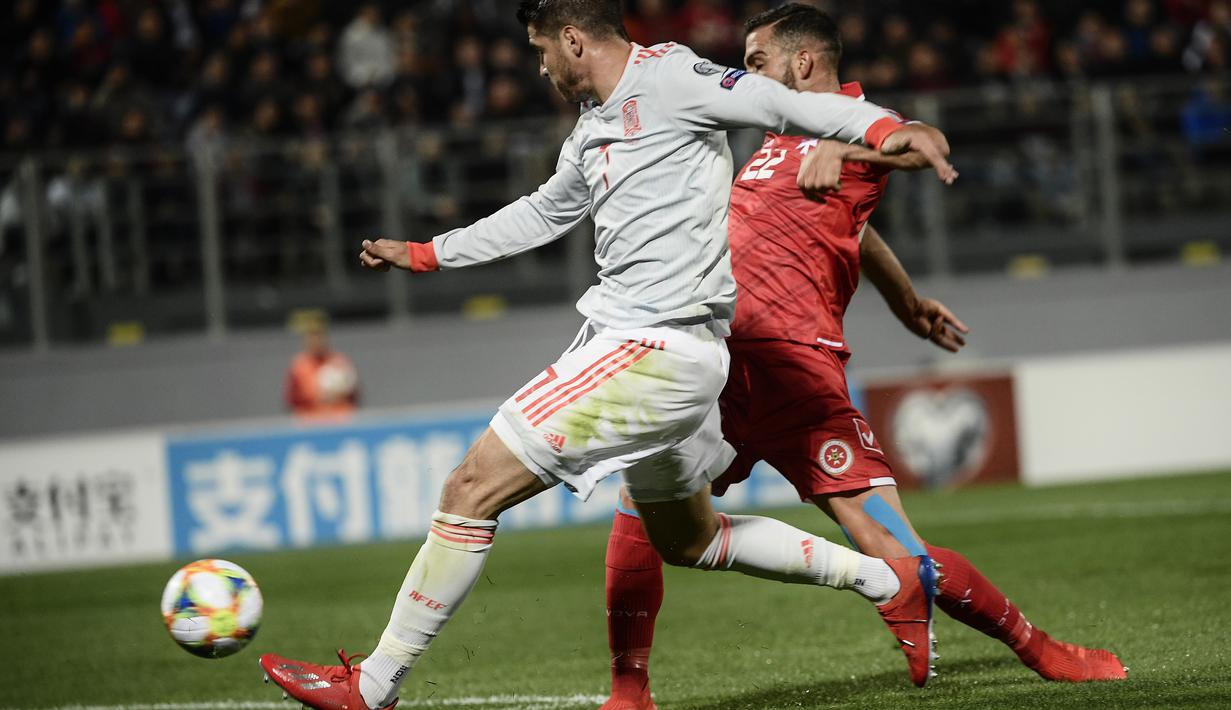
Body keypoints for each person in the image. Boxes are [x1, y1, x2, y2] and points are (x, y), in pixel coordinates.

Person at [258, 2, 957, 708]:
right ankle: (885, 579)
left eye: (540, 51)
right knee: (689, 540)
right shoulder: (593, 126)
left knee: (469, 490)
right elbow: (541, 211)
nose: (540, 68)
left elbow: (773, 100)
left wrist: (890, 129)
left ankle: (373, 686)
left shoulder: (673, 77)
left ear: (571, 40)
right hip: (666, 358)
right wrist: (427, 253)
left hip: (654, 350)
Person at [597, 6, 1127, 709]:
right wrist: (905, 300)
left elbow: (921, 143)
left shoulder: (856, 121)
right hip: (721, 356)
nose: (743, 76)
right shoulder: (778, 133)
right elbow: (850, 226)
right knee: (642, 504)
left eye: (756, 62)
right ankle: (628, 693)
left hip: (793, 365)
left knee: (891, 544)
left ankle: (1044, 652)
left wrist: (851, 150)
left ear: (804, 62)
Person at [284, 316, 359, 420]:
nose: (316, 341)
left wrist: (337, 395)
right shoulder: (299, 365)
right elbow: (292, 400)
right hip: (310, 423)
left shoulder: (340, 361)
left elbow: (354, 396)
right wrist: (317, 398)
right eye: (312, 337)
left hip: (340, 420)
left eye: (319, 336)